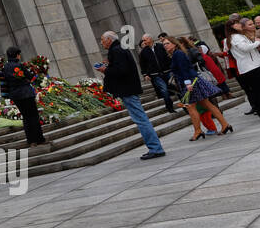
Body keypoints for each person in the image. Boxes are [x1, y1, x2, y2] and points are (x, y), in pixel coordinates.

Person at [97, 31, 165, 159]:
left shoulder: (116, 50)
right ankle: (155, 147)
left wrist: (105, 69)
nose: (101, 42)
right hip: (128, 88)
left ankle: (155, 148)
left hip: (127, 89)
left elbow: (122, 70)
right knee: (140, 118)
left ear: (109, 40)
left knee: (140, 119)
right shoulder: (119, 48)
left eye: (102, 40)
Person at [165, 37, 231, 140]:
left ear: (174, 44)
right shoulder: (176, 54)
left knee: (191, 107)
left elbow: (184, 70)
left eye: (167, 43)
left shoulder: (178, 54)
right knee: (207, 104)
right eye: (164, 44)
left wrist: (187, 84)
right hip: (192, 81)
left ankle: (198, 131)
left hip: (190, 83)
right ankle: (224, 124)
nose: (165, 45)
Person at [228, 17, 260, 121]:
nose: (240, 25)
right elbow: (245, 48)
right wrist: (257, 42)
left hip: (253, 66)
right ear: (232, 27)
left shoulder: (238, 36)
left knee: (259, 92)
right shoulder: (235, 37)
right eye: (237, 24)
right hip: (252, 67)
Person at [0, 46, 47, 146]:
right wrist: (38, 76)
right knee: (34, 116)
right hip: (26, 94)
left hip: (16, 96)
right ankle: (39, 139)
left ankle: (31, 141)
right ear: (16, 55)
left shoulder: (4, 68)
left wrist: (7, 96)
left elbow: (4, 84)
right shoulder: (19, 65)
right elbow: (31, 77)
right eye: (19, 54)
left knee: (26, 117)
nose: (19, 56)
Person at [139, 34, 176, 113]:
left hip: (167, 71)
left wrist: (172, 67)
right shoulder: (143, 52)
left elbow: (169, 56)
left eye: (145, 40)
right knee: (164, 90)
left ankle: (185, 104)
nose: (144, 42)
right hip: (155, 75)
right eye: (143, 40)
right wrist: (145, 74)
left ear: (150, 39)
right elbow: (142, 65)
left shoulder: (160, 46)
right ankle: (170, 107)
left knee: (176, 88)